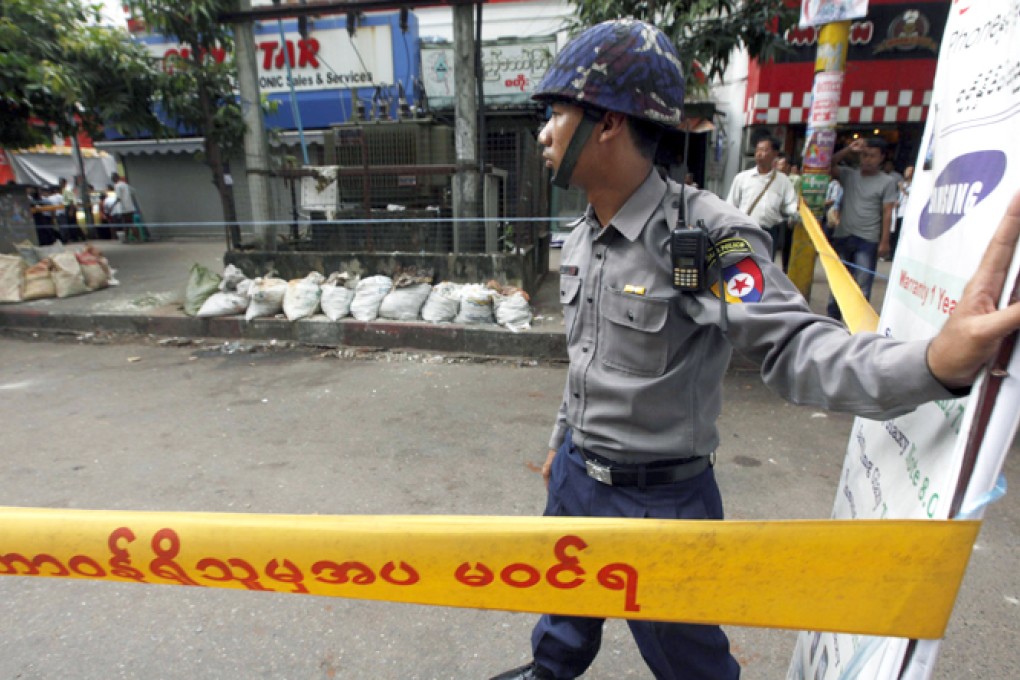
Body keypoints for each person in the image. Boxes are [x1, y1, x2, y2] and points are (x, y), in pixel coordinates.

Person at [490, 18, 1020, 680]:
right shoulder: (580, 237)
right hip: (575, 477)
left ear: (608, 124)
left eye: (557, 113)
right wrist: (559, 442)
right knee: (561, 617)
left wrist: (935, 362)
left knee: (689, 660)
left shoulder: (710, 237)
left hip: (660, 505)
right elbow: (585, 361)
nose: (543, 133)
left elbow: (795, 348)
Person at [825, 137, 898, 321]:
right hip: (843, 236)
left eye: (872, 156)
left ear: (882, 158)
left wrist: (884, 241)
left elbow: (887, 213)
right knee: (839, 282)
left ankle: (856, 323)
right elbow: (828, 164)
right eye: (864, 155)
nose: (867, 160)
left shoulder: (887, 182)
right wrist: (849, 149)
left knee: (862, 286)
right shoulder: (849, 175)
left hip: (868, 240)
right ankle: (833, 320)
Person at [726, 136, 799, 272]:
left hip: (769, 232)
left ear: (775, 154)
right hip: (745, 230)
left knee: (764, 269)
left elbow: (790, 204)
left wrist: (796, 212)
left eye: (765, 150)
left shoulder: (783, 181)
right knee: (741, 266)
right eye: (758, 150)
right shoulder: (742, 178)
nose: (759, 154)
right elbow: (730, 205)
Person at [891, 165, 914, 258]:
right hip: (899, 212)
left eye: (909, 171)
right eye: (906, 171)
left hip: (906, 212)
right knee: (895, 234)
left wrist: (902, 189)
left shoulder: (914, 184)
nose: (906, 173)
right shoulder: (903, 183)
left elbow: (911, 195)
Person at [110, 172, 139, 241]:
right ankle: (127, 238)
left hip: (124, 208)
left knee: (128, 223)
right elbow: (133, 191)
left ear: (115, 178)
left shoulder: (117, 186)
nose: (113, 180)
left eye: (113, 179)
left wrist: (112, 206)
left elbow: (118, 198)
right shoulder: (125, 184)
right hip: (130, 206)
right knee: (128, 223)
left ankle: (135, 237)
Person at [823, 176, 843, 241]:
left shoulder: (835, 184)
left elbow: (835, 201)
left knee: (828, 233)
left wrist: (822, 203)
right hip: (829, 211)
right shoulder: (828, 184)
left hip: (831, 211)